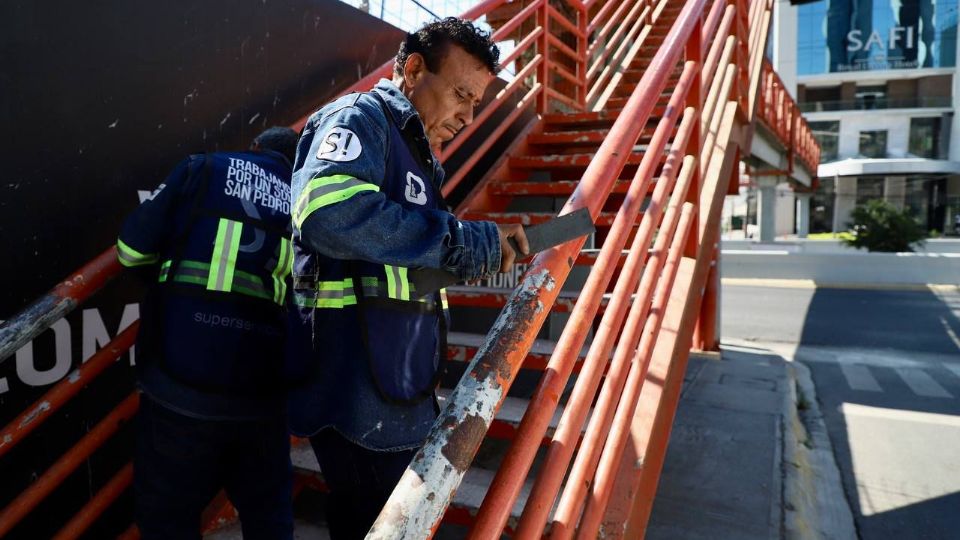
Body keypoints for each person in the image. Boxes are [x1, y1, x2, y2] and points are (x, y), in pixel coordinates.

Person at [286, 18, 528, 539]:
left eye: (476, 103)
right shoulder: (362, 119)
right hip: (358, 394)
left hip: (396, 381)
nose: (467, 116)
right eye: (461, 94)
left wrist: (474, 255)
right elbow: (326, 212)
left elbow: (397, 261)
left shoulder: (415, 154)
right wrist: (461, 240)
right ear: (414, 69)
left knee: (367, 522)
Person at [117, 127, 299, 540]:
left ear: (254, 148)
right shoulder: (307, 205)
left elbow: (130, 252)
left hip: (179, 388)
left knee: (168, 519)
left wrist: (174, 287)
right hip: (262, 398)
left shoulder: (203, 169)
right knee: (269, 517)